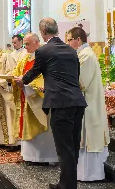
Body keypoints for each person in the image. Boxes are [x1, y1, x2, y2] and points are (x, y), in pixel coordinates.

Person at [15, 18, 87, 189]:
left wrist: (22, 80)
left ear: (43, 32)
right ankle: (68, 183)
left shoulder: (44, 50)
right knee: (73, 146)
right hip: (77, 103)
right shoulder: (71, 50)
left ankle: (67, 186)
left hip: (60, 104)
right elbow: (75, 76)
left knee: (63, 148)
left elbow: (34, 71)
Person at [67, 27, 110, 181]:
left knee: (88, 137)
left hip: (88, 104)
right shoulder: (81, 54)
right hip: (84, 102)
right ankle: (82, 173)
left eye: (69, 39)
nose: (68, 43)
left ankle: (90, 174)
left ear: (78, 40)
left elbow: (81, 82)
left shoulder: (86, 55)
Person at [12, 33, 58, 164]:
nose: (25, 47)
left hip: (39, 99)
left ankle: (44, 157)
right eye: (25, 44)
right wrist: (15, 80)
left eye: (27, 44)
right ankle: (29, 156)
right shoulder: (25, 58)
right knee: (26, 126)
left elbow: (45, 79)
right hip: (26, 98)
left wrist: (28, 85)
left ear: (37, 42)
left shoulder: (45, 56)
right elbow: (17, 73)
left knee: (43, 130)